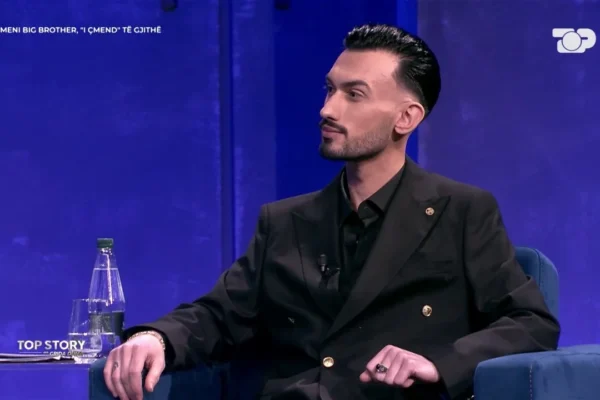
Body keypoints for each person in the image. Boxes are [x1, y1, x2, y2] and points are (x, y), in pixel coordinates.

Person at [103, 23, 560, 400]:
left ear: (406, 118)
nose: (327, 109)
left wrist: (439, 364)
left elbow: (531, 323)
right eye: (329, 90)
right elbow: (219, 316)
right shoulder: (284, 222)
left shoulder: (460, 212)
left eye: (354, 95)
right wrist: (155, 338)